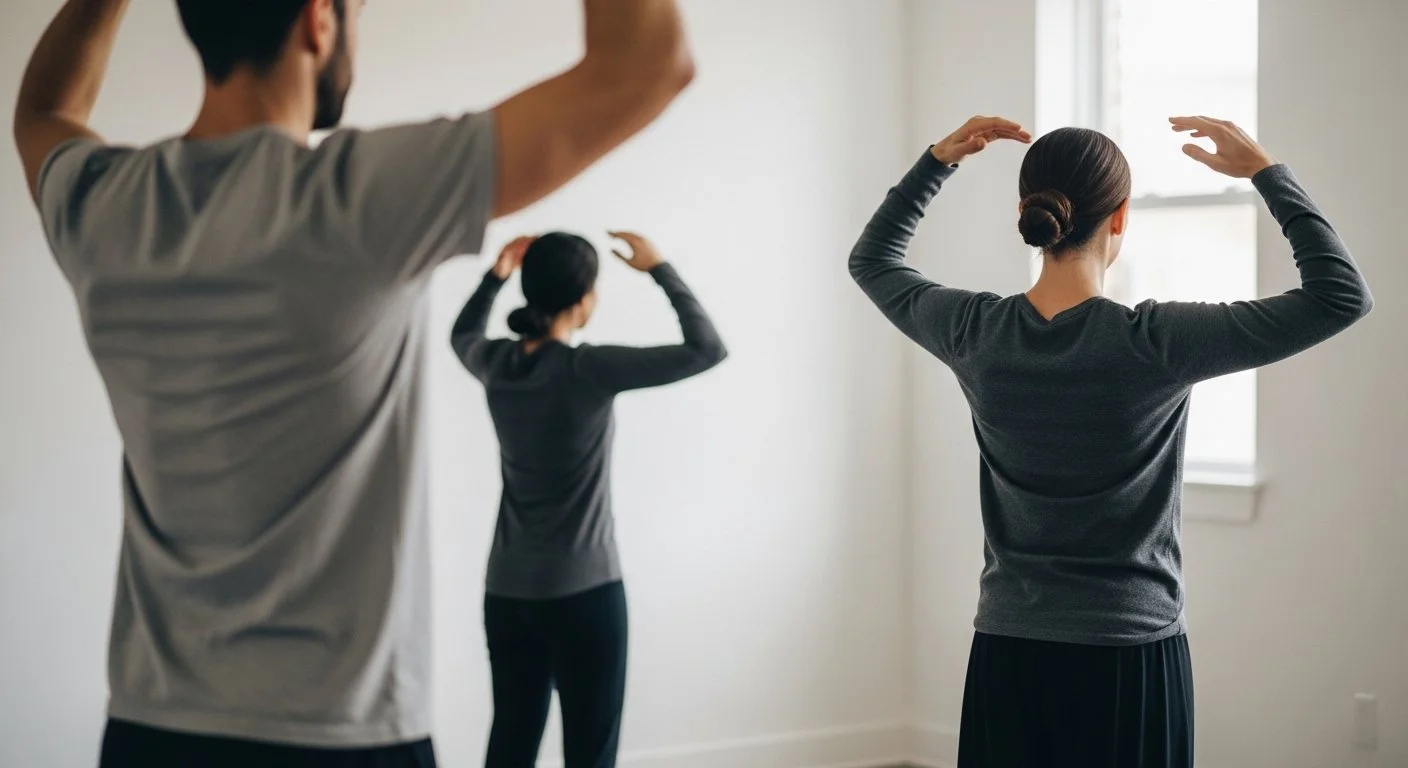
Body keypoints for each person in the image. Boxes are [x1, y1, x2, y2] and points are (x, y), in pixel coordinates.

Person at [11, 0, 696, 765]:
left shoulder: (106, 204)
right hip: (342, 736)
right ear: (318, 22)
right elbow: (647, 69)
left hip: (149, 733)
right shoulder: (356, 196)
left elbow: (42, 109)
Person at [849, 115, 1372, 767]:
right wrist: (1266, 173)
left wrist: (935, 163)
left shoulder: (973, 330)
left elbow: (871, 261)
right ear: (1120, 218)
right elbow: (1340, 296)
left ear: (1026, 212)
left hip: (1010, 648)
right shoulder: (1158, 342)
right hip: (1131, 655)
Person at [449, 231, 726, 767]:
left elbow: (461, 333)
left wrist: (494, 276)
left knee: (510, 743)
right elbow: (706, 349)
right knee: (590, 752)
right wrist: (659, 268)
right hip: (584, 593)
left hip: (507, 593)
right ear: (584, 301)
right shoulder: (587, 369)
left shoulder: (496, 365)